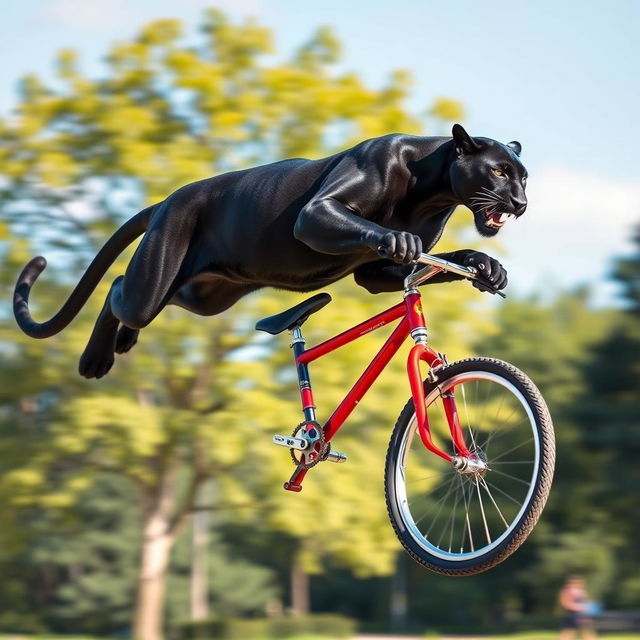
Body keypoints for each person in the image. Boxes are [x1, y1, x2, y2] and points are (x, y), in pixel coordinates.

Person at [559, 575, 598, 640]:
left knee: (587, 631)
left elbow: (585, 602)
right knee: (569, 632)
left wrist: (587, 607)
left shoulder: (582, 591)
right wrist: (578, 607)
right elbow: (564, 603)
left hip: (582, 614)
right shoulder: (567, 591)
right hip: (573, 614)